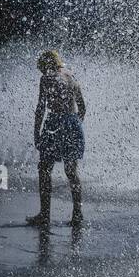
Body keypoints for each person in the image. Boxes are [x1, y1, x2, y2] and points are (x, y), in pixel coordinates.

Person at [28, 50, 86, 227]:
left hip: (55, 124)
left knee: (44, 168)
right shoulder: (72, 77)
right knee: (71, 171)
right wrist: (74, 125)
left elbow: (40, 109)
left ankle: (44, 215)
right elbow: (82, 107)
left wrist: (37, 133)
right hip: (73, 122)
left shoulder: (46, 78)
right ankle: (77, 214)